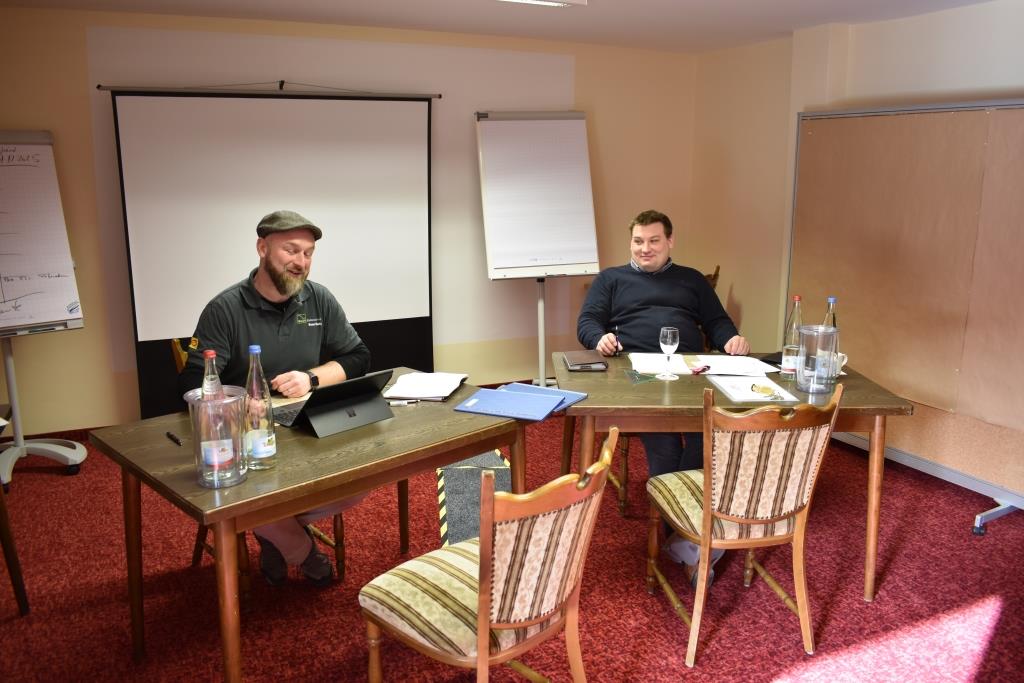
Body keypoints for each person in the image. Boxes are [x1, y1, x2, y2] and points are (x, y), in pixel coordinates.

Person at [179, 210, 371, 587]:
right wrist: (237, 403)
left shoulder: (318, 298)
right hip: (244, 437)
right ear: (262, 248)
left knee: (359, 479)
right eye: (291, 250)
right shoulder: (224, 308)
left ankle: (273, 532)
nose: (301, 262)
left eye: (309, 253)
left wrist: (311, 378)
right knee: (245, 493)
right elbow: (190, 381)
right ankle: (301, 550)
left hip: (304, 426)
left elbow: (358, 357)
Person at [576, 209, 750, 584]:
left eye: (654, 241)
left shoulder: (692, 280)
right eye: (638, 241)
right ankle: (686, 532)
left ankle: (683, 531)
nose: (645, 248)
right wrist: (599, 338)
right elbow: (587, 322)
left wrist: (730, 339)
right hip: (636, 372)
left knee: (709, 435)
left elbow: (717, 322)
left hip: (690, 370)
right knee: (666, 442)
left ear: (670, 241)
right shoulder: (611, 279)